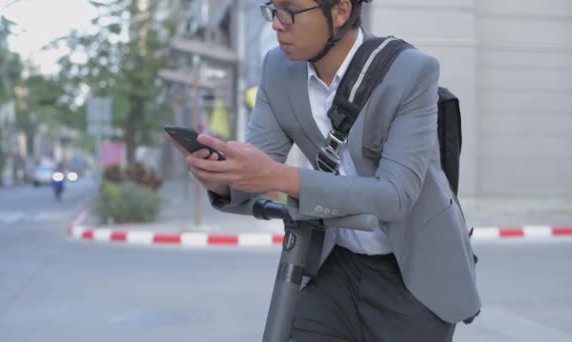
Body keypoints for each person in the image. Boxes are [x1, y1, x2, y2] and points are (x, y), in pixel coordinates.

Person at [168, 0, 481, 340]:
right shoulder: (278, 68)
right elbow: (260, 166)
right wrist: (225, 178)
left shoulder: (410, 71)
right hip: (336, 264)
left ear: (340, 11)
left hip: (414, 275)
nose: (277, 23)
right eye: (273, 9)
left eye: (290, 11)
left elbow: (395, 195)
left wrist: (277, 176)